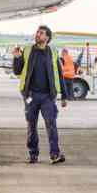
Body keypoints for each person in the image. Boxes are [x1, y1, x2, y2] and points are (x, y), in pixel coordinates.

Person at [13, 25, 68, 165]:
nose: (37, 35)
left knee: (51, 124)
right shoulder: (28, 50)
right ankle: (33, 155)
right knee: (31, 125)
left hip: (48, 96)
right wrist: (17, 58)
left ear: (47, 38)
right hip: (30, 95)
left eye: (41, 33)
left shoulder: (53, 52)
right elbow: (17, 71)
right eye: (37, 32)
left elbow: (59, 75)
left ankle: (54, 154)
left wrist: (64, 95)